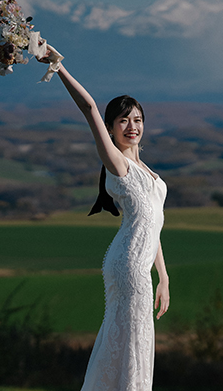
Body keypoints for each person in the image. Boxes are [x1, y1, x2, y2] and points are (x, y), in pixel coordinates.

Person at [41, 49, 169, 391]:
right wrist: (59, 67)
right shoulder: (119, 165)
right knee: (134, 339)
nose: (132, 126)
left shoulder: (149, 174)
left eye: (138, 119)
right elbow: (89, 107)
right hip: (128, 266)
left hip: (139, 264)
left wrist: (164, 277)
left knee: (134, 337)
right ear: (111, 129)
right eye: (124, 120)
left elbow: (152, 226)